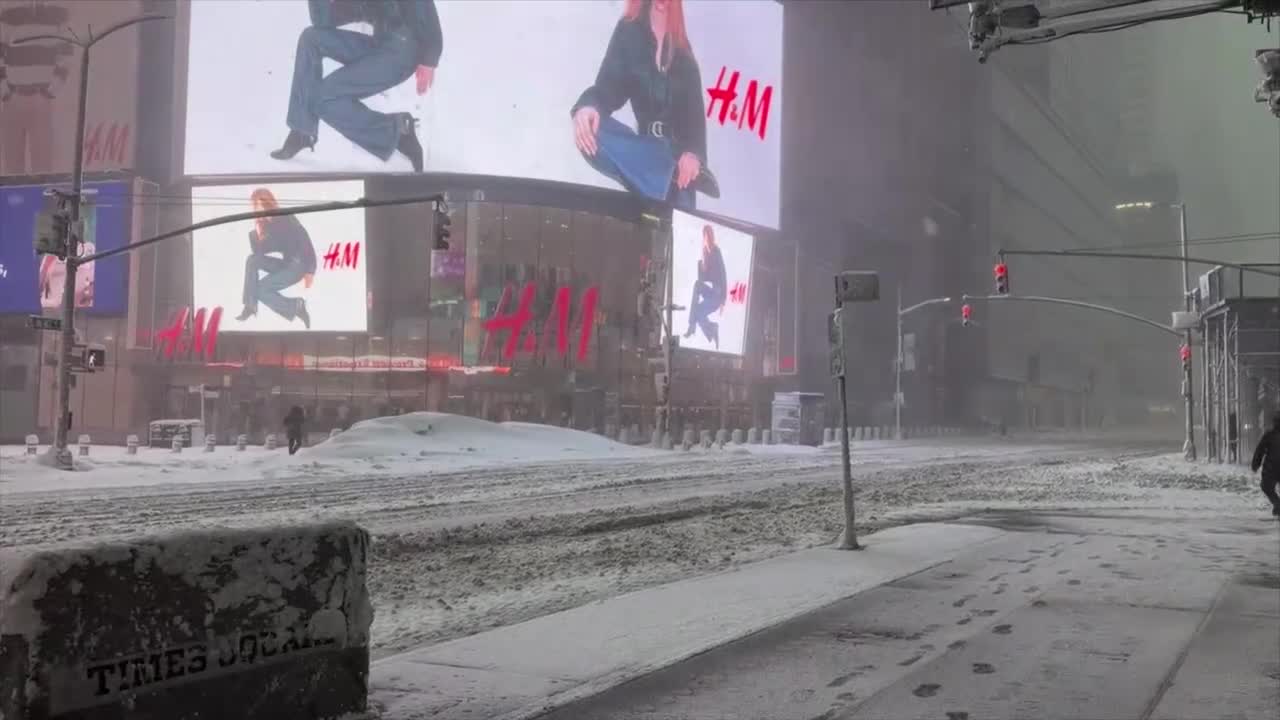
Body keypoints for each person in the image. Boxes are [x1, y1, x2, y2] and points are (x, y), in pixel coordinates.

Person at [571, 0, 719, 210]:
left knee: (676, 226)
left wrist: (693, 155)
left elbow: (695, 118)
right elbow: (608, 87)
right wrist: (588, 106)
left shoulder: (684, 53)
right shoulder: (629, 32)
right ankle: (664, 170)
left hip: (680, 167)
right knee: (592, 128)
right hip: (642, 156)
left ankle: (666, 174)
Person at [270, 0, 442, 172]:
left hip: (401, 52)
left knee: (323, 96)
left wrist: (429, 61)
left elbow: (426, 12)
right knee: (311, 38)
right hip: (379, 45)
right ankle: (302, 130)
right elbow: (322, 20)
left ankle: (397, 132)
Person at [237, 188, 317, 327]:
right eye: (255, 206)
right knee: (252, 260)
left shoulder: (285, 216)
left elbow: (305, 240)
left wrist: (310, 270)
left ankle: (296, 306)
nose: (257, 209)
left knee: (260, 289)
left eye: (259, 205)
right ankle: (250, 306)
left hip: (298, 266)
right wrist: (257, 233)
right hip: (286, 264)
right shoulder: (266, 225)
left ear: (268, 203)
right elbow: (259, 253)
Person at [684, 224, 725, 348]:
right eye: (704, 236)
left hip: (717, 294)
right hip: (711, 292)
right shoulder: (705, 254)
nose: (706, 238)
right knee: (697, 286)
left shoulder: (716, 251)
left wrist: (723, 300)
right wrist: (701, 267)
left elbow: (723, 275)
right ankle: (707, 328)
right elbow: (703, 279)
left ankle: (698, 327)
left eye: (708, 235)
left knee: (697, 311)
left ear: (711, 237)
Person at [1249, 410, 1280, 518]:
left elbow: (1260, 450)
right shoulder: (1269, 435)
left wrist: (1255, 464)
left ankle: (1277, 504)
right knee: (1266, 486)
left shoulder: (1269, 435)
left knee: (1266, 486)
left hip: (1271, 468)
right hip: (1272, 467)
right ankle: (1278, 505)